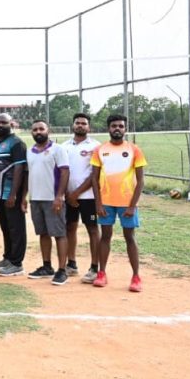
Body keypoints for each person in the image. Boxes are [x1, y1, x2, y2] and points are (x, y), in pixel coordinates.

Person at [90, 114, 147, 292]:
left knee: (130, 237)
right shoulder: (100, 149)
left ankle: (136, 277)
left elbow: (141, 180)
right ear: (108, 128)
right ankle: (102, 273)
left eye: (121, 126)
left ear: (125, 129)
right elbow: (94, 178)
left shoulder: (134, 150)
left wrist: (132, 205)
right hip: (106, 203)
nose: (117, 129)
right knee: (105, 237)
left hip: (127, 203)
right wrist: (98, 203)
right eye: (114, 126)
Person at [24, 120, 71, 285]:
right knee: (43, 233)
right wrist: (25, 197)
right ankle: (46, 266)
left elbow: (65, 173)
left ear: (48, 130)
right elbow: (28, 175)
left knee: (59, 234)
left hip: (53, 199)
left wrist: (59, 196)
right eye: (35, 129)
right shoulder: (30, 151)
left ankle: (62, 270)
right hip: (35, 199)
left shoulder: (58, 150)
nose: (38, 131)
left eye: (41, 129)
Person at [62, 113, 102, 283]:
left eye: (83, 123)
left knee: (92, 229)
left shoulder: (96, 146)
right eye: (77, 123)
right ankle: (71, 264)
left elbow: (95, 174)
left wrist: (76, 193)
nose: (80, 125)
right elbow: (62, 172)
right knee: (70, 227)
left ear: (89, 127)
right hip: (68, 196)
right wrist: (67, 194)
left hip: (88, 196)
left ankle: (94, 267)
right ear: (73, 125)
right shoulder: (64, 146)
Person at [0, 112, 29, 277]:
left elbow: (20, 169)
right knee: (6, 227)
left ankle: (17, 263)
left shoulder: (17, 143)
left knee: (16, 228)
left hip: (11, 194)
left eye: (3, 123)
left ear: (11, 124)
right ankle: (8, 258)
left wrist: (13, 195)